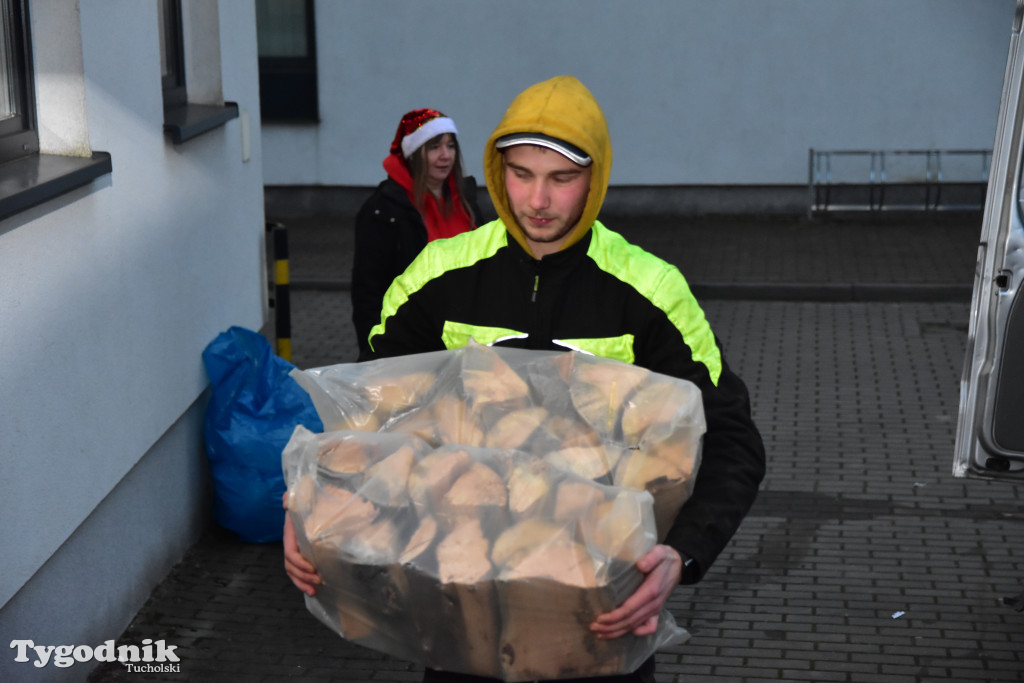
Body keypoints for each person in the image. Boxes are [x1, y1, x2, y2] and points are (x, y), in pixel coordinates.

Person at [286, 76, 766, 683]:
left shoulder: (652, 291)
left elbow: (732, 438)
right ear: (494, 170)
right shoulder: (436, 276)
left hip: (599, 622)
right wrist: (308, 501)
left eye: (561, 178)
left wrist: (684, 553)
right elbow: (366, 419)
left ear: (595, 178)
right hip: (459, 615)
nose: (537, 199)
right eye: (520, 174)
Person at [351, 108, 482, 357]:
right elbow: (368, 292)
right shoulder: (385, 210)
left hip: (465, 342)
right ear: (414, 154)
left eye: (451, 146)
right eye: (434, 147)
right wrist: (375, 354)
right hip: (412, 343)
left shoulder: (467, 203)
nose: (445, 156)